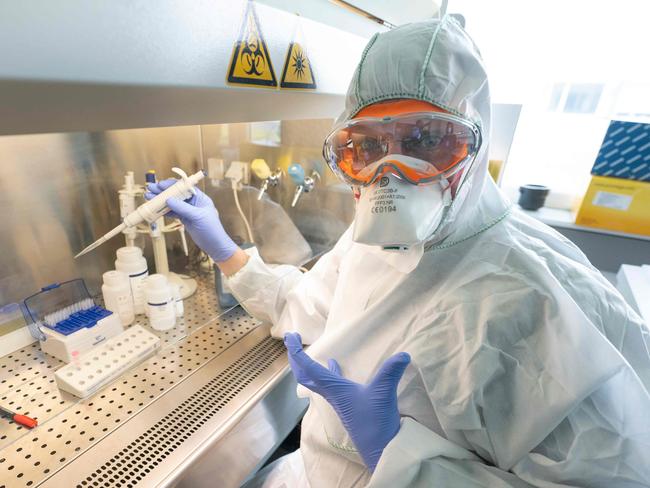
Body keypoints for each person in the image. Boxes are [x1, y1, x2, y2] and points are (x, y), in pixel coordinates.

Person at [147, 16, 650, 488]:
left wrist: (400, 459)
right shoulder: (374, 243)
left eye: (428, 140)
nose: (392, 173)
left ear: (475, 141)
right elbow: (306, 309)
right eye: (366, 147)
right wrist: (224, 248)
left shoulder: (538, 298)